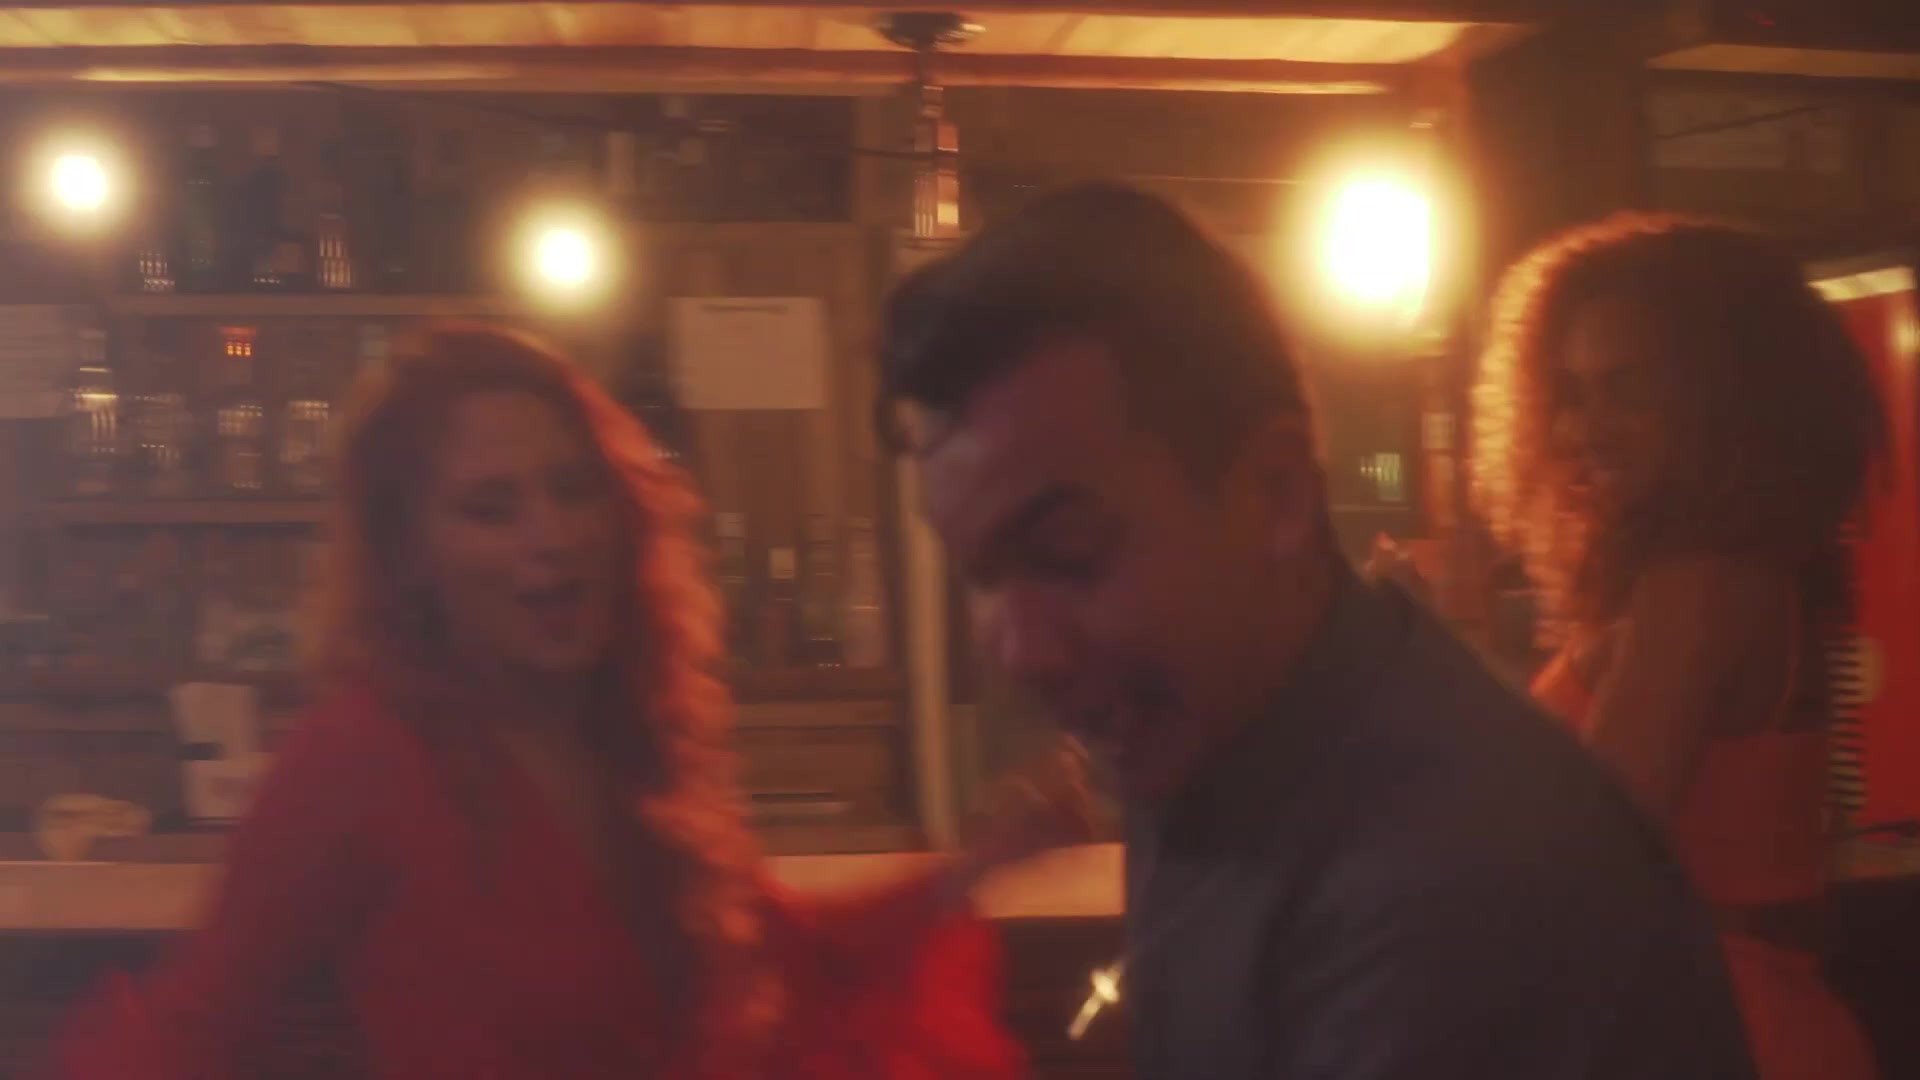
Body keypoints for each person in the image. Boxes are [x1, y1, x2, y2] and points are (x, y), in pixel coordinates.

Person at [878, 182, 1756, 1080]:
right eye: (980, 575)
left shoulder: (1450, 882)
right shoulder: (1215, 735)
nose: (1020, 649)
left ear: (1277, 493)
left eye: (1071, 551)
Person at [45, 326, 1074, 1079]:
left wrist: (980, 860)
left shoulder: (630, 737)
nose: (551, 536)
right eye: (489, 508)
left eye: (574, 490)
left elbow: (773, 956)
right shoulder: (363, 755)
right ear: (412, 556)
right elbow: (193, 1029)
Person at [1472, 214, 1885, 1080]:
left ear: (1720, 402)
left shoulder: (1697, 586)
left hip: (1713, 1029)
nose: (1586, 427)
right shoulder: (1739, 570)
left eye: (1627, 390)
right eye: (1573, 393)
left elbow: (1587, 847)